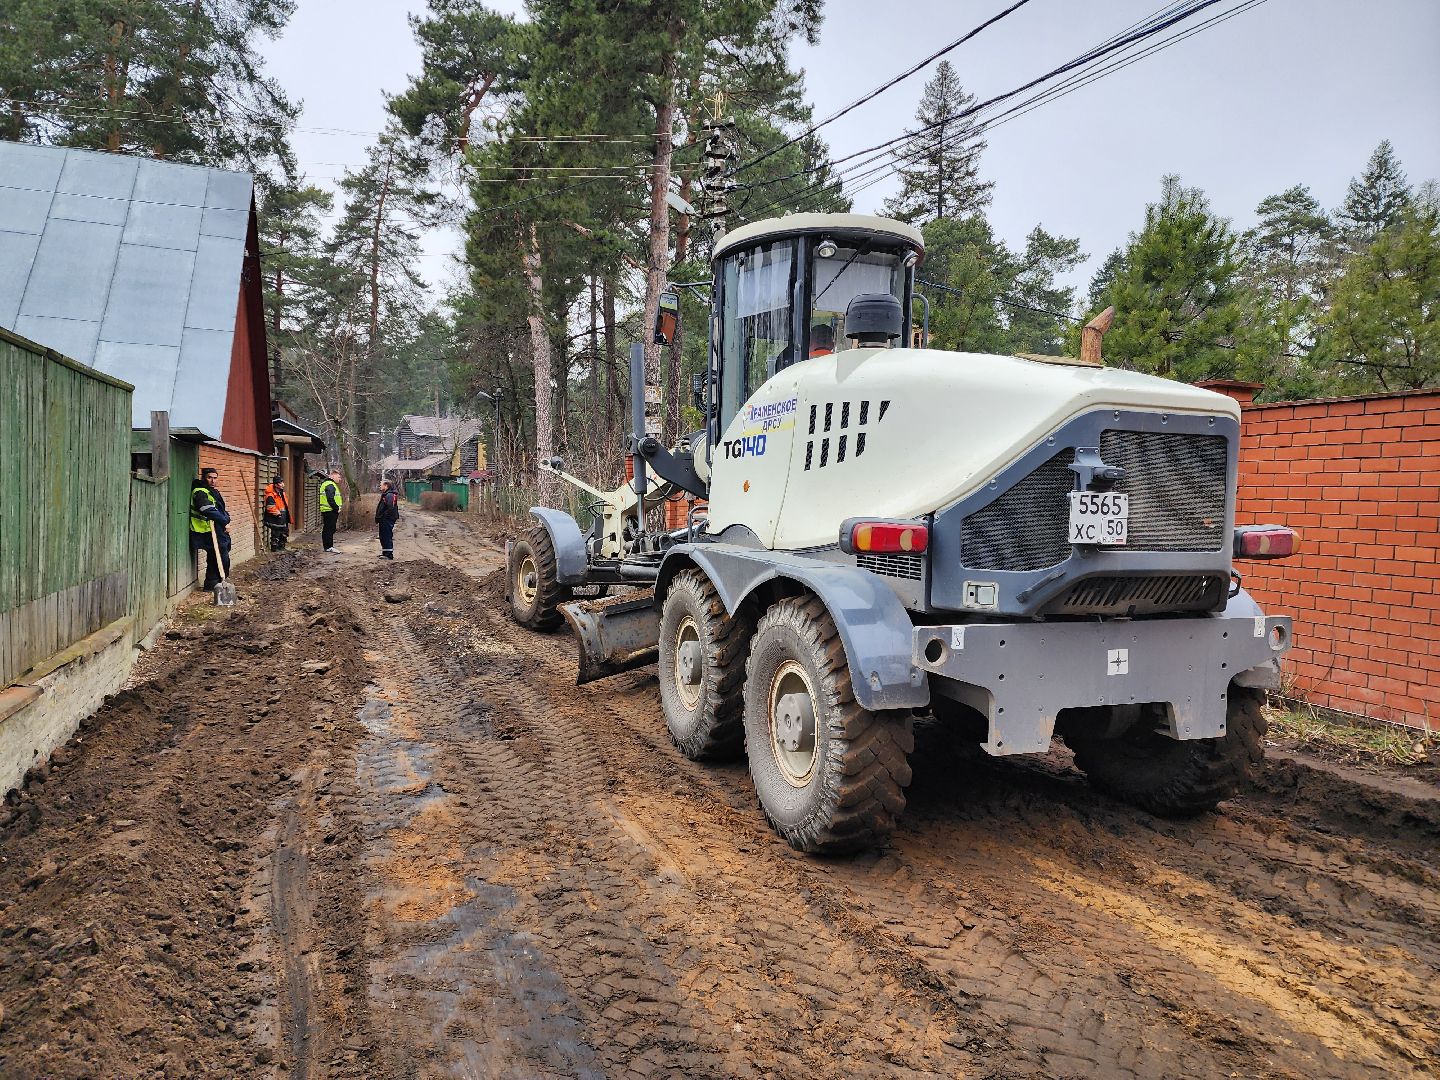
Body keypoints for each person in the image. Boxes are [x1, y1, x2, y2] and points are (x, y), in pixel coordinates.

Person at [190, 467, 231, 590]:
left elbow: (220, 509)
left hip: (216, 529)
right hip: (205, 530)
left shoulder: (213, 491)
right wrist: (224, 522)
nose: (213, 480)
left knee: (216, 556)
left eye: (215, 478)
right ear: (204, 478)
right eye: (209, 478)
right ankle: (216, 583)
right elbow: (207, 510)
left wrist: (227, 519)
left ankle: (212, 584)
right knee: (220, 556)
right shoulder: (200, 492)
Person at [319, 469, 343, 553]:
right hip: (330, 510)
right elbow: (330, 498)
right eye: (338, 477)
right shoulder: (330, 484)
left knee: (328, 528)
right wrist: (336, 508)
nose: (340, 479)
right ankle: (329, 546)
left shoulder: (327, 484)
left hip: (327, 510)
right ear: (333, 475)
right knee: (329, 529)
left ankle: (328, 546)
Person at [262, 478, 290, 551]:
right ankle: (275, 549)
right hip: (275, 518)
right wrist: (278, 514)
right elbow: (270, 507)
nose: (282, 484)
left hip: (283, 517)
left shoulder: (281, 493)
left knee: (284, 533)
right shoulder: (270, 495)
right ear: (276, 485)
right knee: (276, 534)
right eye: (280, 483)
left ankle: (281, 547)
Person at [375, 480, 400, 559]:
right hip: (384, 519)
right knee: (383, 536)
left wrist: (384, 516)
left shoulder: (390, 495)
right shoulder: (386, 494)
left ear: (386, 486)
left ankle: (389, 554)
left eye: (381, 485)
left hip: (387, 519)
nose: (380, 486)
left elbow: (390, 508)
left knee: (387, 536)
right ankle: (385, 553)